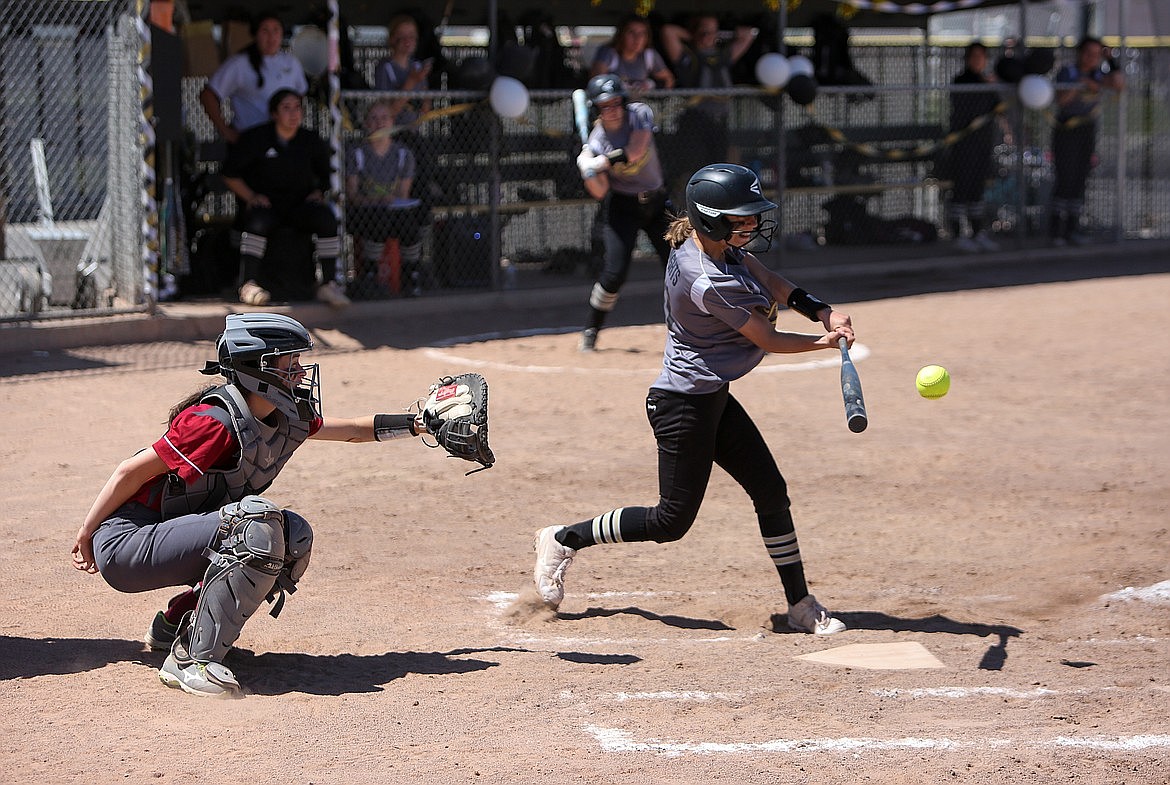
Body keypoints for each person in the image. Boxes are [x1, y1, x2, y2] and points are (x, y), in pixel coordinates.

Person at [533, 163, 852, 636]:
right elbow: (765, 337)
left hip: (711, 396)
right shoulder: (705, 276)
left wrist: (821, 311)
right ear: (711, 220)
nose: (751, 225)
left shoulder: (719, 247)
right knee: (670, 521)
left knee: (770, 491)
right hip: (682, 406)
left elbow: (771, 281)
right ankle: (562, 539)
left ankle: (800, 604)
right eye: (741, 218)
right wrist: (823, 343)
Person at [71, 313, 429, 697]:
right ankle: (191, 661)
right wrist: (88, 532)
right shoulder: (214, 423)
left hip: (166, 535)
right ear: (257, 370)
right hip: (127, 542)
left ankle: (179, 625)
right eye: (289, 366)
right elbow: (130, 471)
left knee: (293, 536)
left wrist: (421, 423)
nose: (301, 375)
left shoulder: (284, 416)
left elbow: (354, 431)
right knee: (256, 525)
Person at [221, 89, 349, 308]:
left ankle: (329, 284)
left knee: (326, 218)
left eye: (297, 108)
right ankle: (248, 284)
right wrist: (250, 196)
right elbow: (229, 174)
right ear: (274, 114)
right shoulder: (256, 138)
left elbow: (327, 175)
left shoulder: (310, 140)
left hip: (300, 206)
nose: (293, 114)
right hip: (268, 206)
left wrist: (320, 191)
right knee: (257, 221)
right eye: (286, 108)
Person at [575, 74, 672, 352]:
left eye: (617, 102)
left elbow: (636, 149)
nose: (613, 109)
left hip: (657, 203)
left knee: (682, 265)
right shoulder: (596, 140)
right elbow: (600, 191)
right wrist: (588, 171)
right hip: (623, 208)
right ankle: (591, 329)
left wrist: (600, 161)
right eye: (606, 105)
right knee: (614, 274)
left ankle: (699, 327)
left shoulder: (639, 114)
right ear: (597, 108)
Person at [659, 14, 757, 196]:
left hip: (719, 123)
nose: (707, 36)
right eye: (703, 31)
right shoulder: (689, 57)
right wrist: (694, 35)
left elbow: (748, 35)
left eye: (712, 31)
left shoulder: (723, 56)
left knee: (719, 170)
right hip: (695, 122)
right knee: (694, 171)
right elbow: (668, 32)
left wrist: (729, 34)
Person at [345, 100, 431, 298]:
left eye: (384, 118)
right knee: (379, 219)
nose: (379, 123)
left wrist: (388, 200)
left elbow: (402, 195)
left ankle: (411, 275)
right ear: (366, 124)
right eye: (373, 119)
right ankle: (370, 275)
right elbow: (353, 195)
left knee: (409, 223)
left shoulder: (403, 154)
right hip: (366, 211)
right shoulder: (357, 153)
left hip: (392, 211)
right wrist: (374, 201)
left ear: (393, 122)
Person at [1049, 36, 1124, 246]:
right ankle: (1057, 231)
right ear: (1080, 53)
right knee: (1065, 176)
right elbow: (1061, 100)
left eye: (1096, 54)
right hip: (1067, 129)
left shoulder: (1099, 74)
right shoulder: (1069, 72)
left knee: (1080, 178)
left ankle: (1073, 228)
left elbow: (1118, 84)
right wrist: (1080, 84)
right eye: (1088, 53)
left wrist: (1111, 60)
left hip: (1087, 130)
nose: (1092, 58)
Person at [199, 12, 308, 145]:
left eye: (276, 30)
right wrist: (226, 131)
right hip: (251, 140)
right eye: (265, 31)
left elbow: (300, 95)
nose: (271, 37)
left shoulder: (291, 63)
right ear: (255, 34)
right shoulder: (239, 63)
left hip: (284, 140)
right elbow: (208, 95)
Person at [946, 42, 1001, 254]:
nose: (978, 60)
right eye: (974, 56)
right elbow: (967, 108)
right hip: (964, 143)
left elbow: (997, 108)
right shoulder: (961, 81)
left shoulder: (987, 82)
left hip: (983, 143)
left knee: (978, 187)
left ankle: (978, 232)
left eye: (982, 56)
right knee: (962, 186)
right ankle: (957, 234)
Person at [373, 14, 434, 128]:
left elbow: (426, 97)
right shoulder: (386, 67)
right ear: (392, 39)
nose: (408, 41)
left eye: (412, 36)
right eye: (402, 36)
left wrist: (424, 107)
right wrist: (411, 82)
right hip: (392, 130)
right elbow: (388, 110)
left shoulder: (417, 66)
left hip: (414, 128)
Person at [589, 15, 675, 93]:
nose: (637, 38)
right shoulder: (609, 53)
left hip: (641, 104)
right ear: (621, 35)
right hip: (615, 106)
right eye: (631, 33)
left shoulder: (649, 55)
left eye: (642, 33)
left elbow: (668, 79)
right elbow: (596, 83)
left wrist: (654, 88)